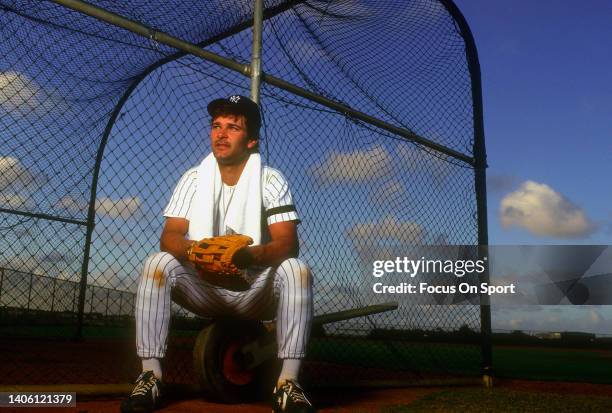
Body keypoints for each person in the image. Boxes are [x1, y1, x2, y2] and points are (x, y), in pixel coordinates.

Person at [121, 95, 315, 413]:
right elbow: (169, 236)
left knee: (296, 268)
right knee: (157, 264)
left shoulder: (271, 179)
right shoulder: (193, 178)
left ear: (251, 139)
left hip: (253, 289)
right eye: (216, 126)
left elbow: (287, 243)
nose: (221, 133)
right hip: (204, 285)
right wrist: (198, 250)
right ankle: (150, 376)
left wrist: (246, 256)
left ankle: (288, 384)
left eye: (233, 127)